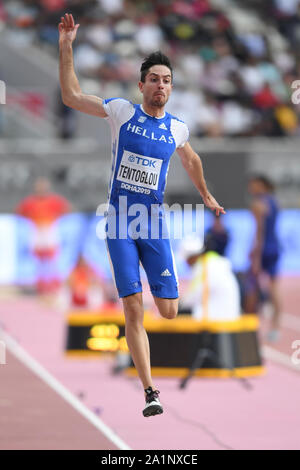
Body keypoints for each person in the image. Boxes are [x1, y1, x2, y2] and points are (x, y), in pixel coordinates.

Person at [58, 13, 225, 417]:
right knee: (133, 305)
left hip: (153, 225)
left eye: (167, 79)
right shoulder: (121, 112)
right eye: (154, 79)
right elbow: (72, 96)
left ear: (171, 87)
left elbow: (192, 158)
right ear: (142, 85)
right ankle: (150, 391)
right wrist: (66, 47)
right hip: (119, 221)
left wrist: (206, 195)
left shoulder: (177, 129)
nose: (161, 85)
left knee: (167, 310)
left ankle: (154, 289)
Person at [16, 177, 70, 294]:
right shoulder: (30, 201)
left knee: (52, 258)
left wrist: (55, 218)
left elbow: (65, 209)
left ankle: (54, 284)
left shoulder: (54, 200)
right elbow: (20, 211)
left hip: (49, 228)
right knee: (39, 259)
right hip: (37, 229)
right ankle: (40, 284)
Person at [248, 174, 281, 341]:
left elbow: (259, 232)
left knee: (252, 288)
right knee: (274, 289)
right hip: (275, 247)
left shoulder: (258, 204)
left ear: (261, 185)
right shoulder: (273, 201)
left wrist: (256, 255)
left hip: (264, 249)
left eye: (253, 185)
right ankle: (275, 328)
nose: (250, 188)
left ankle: (253, 327)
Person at [179, 236, 241, 321]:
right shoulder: (215, 263)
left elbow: (189, 300)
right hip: (229, 318)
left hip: (215, 322)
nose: (186, 264)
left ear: (192, 257)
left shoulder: (203, 268)